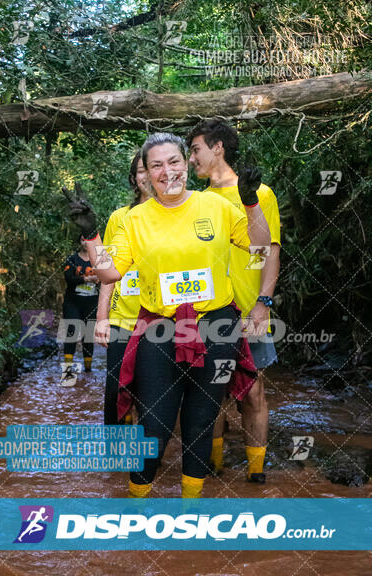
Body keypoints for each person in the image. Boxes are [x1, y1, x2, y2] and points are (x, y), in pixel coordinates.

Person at [62, 132, 271, 498]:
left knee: (200, 424)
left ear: (186, 164)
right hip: (158, 330)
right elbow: (110, 273)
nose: (167, 171)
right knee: (154, 427)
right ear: (146, 172)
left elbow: (259, 246)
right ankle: (136, 505)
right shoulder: (135, 219)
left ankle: (188, 513)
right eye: (156, 165)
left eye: (174, 161)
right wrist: (92, 237)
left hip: (216, 327)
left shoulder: (217, 207)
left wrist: (251, 203)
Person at [187, 118, 281, 483]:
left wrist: (263, 303)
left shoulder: (260, 194)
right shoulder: (195, 202)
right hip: (207, 314)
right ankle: (214, 467)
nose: (191, 159)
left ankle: (256, 474)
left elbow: (269, 251)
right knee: (211, 394)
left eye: (195, 150)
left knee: (253, 392)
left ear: (217, 147)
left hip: (250, 308)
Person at [95, 152, 150, 423]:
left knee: (153, 393)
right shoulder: (120, 217)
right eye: (142, 170)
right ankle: (116, 459)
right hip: (123, 317)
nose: (148, 176)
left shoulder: (178, 215)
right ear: (133, 178)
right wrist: (102, 318)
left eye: (153, 168)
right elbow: (108, 269)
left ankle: (148, 461)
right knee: (116, 390)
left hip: (164, 319)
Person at [61, 235, 100, 386]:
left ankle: (88, 370)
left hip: (91, 302)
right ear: (80, 241)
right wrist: (86, 279)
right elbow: (68, 278)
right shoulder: (72, 259)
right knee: (72, 331)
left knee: (88, 334)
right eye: (83, 239)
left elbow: (108, 278)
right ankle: (68, 372)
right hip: (73, 301)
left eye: (88, 240)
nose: (85, 242)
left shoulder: (98, 259)